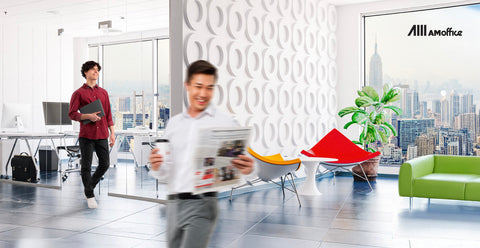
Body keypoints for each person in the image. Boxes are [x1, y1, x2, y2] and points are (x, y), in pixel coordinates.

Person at [149, 60, 254, 248]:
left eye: (209, 87)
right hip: (173, 203)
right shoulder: (174, 124)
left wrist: (248, 168)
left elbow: (245, 163)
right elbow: (166, 171)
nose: (203, 94)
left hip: (202, 203)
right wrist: (157, 167)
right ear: (187, 86)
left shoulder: (224, 122)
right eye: (198, 86)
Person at [69, 61, 115, 209]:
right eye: (93, 70)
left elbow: (108, 114)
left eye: (97, 70)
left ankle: (88, 188)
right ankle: (90, 195)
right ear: (85, 73)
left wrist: (112, 133)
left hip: (102, 134)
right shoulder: (78, 93)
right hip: (87, 135)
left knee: (105, 164)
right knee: (86, 166)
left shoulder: (103, 92)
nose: (96, 72)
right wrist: (87, 116)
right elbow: (72, 114)